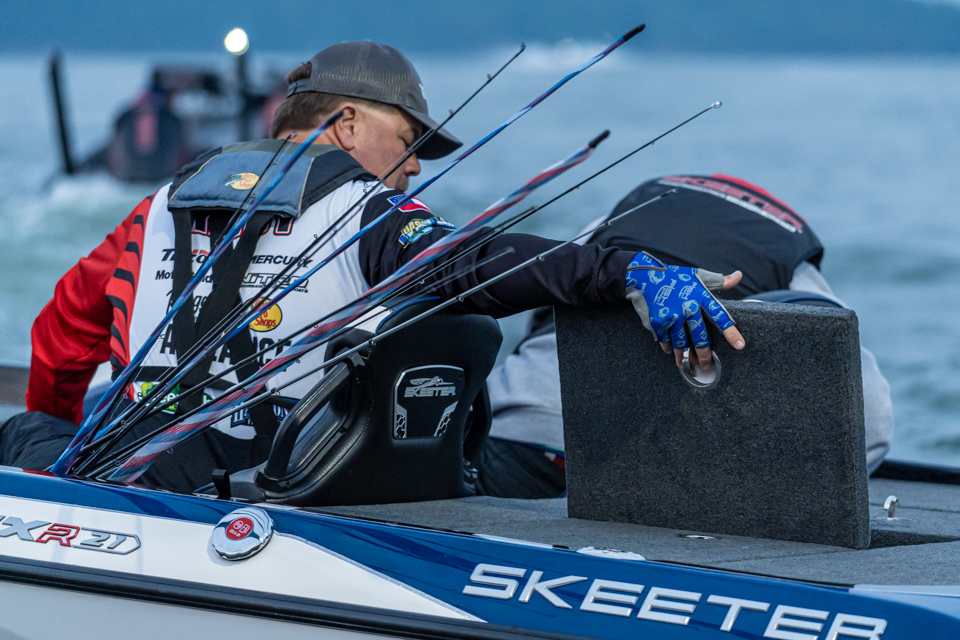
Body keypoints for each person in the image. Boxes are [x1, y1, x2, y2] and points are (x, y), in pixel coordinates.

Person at [1, 43, 745, 492]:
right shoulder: (367, 212)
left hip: (123, 473)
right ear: (347, 124)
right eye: (409, 138)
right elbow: (481, 262)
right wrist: (628, 271)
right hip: (270, 495)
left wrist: (71, 427)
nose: (416, 163)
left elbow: (61, 330)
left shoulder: (159, 202)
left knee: (26, 429)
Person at [476, 174, 895, 498]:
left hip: (520, 430)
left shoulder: (625, 213)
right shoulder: (791, 255)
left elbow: (542, 303)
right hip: (657, 474)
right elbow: (870, 414)